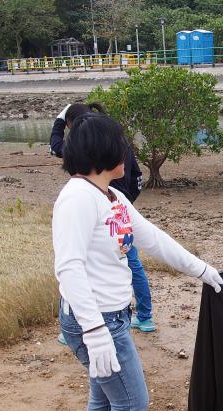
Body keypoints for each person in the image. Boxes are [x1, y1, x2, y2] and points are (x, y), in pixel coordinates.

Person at [53, 112, 223, 411]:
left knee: (105, 399)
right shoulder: (76, 198)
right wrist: (94, 334)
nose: (128, 152)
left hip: (113, 317)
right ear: (103, 151)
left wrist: (202, 269)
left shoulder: (112, 196)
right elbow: (69, 268)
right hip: (93, 322)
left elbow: (154, 240)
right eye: (122, 144)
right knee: (132, 404)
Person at [51, 102, 156, 334]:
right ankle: (144, 315)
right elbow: (137, 177)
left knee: (110, 260)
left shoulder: (90, 144)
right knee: (128, 260)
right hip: (117, 210)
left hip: (114, 210)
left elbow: (55, 146)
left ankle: (85, 323)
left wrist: (59, 120)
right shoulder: (81, 195)